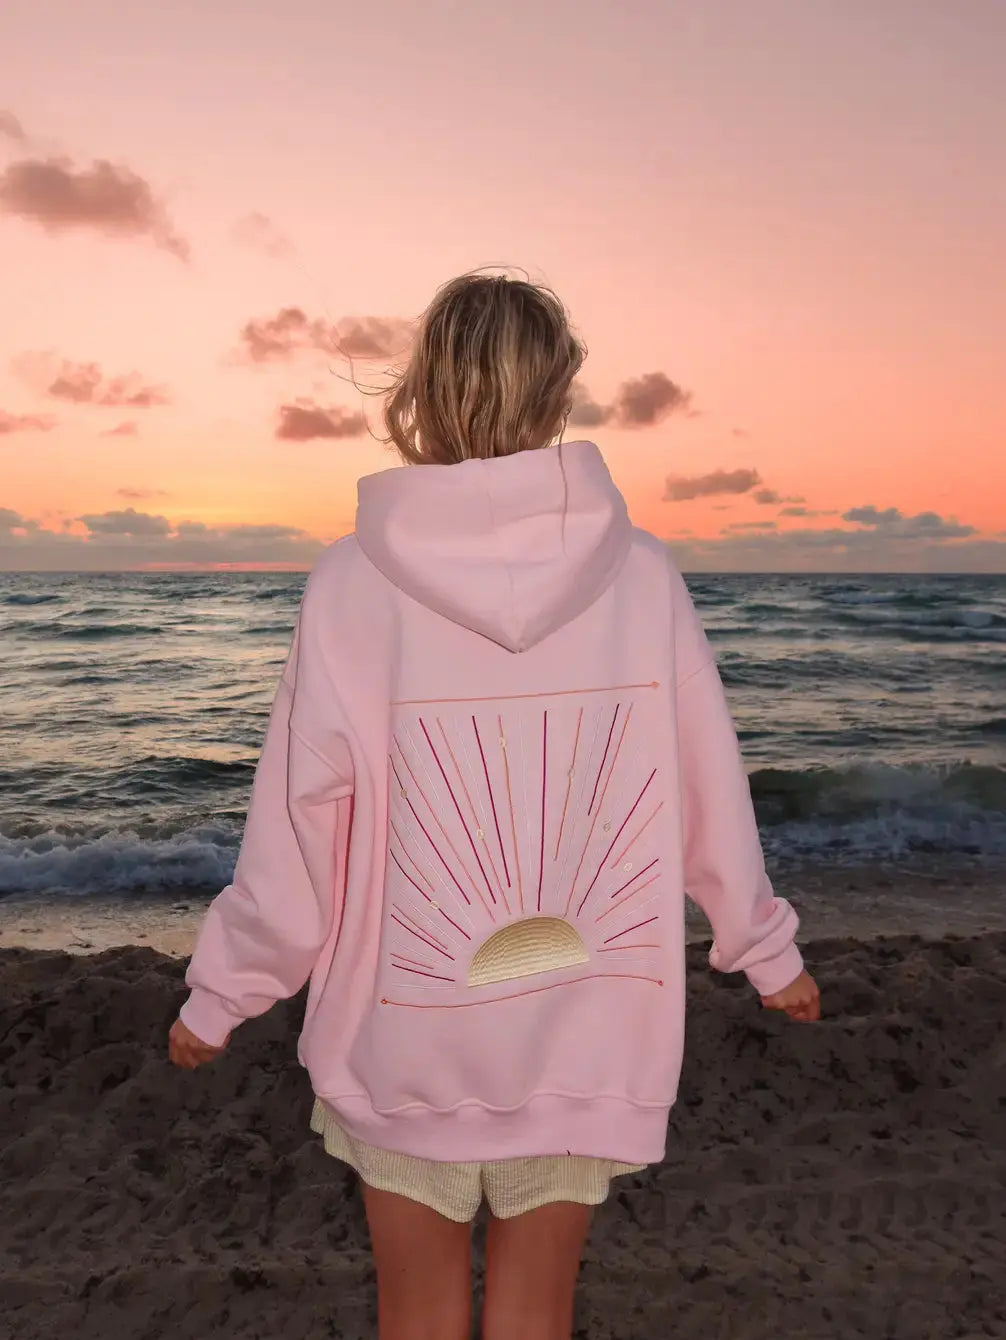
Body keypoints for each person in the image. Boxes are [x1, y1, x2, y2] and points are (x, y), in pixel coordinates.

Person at [169, 270, 821, 1340]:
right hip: (585, 1034)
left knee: (417, 1314)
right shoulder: (641, 575)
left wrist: (222, 994)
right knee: (534, 1314)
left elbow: (299, 826)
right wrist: (765, 947)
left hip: (402, 1038)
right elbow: (707, 786)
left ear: (421, 392)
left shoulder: (350, 582)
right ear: (557, 393)